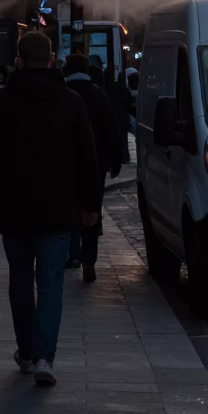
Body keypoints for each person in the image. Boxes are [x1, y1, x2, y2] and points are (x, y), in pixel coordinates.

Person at [0, 30, 100, 386]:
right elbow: (86, 156)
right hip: (58, 208)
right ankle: (46, 356)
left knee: (20, 281)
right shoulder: (70, 101)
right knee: (50, 283)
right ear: (51, 60)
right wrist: (91, 204)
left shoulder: (2, 103)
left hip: (15, 208)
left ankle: (27, 352)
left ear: (18, 59)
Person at [62, 54, 123, 281]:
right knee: (91, 209)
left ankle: (72, 254)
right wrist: (116, 159)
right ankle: (89, 260)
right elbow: (111, 129)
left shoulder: (62, 95)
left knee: (68, 209)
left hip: (66, 164)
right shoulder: (99, 94)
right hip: (96, 162)